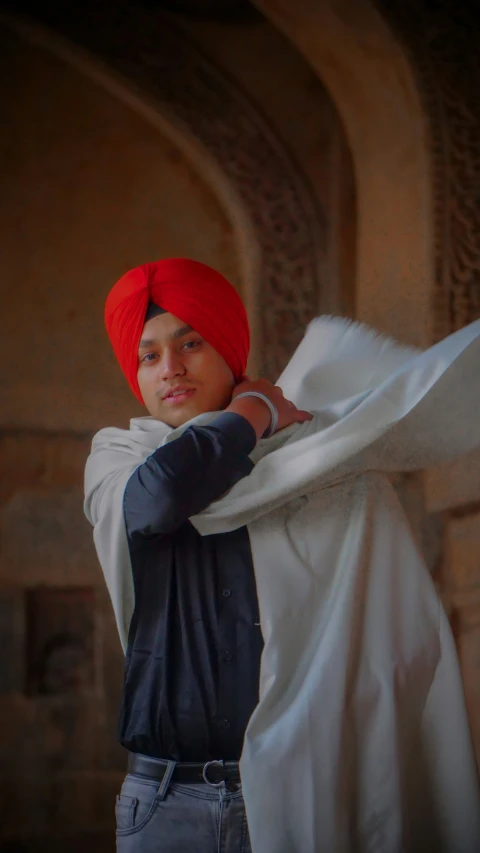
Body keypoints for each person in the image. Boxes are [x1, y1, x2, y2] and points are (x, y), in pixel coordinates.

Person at [85, 258, 480, 853]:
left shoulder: (319, 462)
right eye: (149, 355)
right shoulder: (117, 460)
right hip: (163, 803)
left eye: (190, 342)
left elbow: (395, 648)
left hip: (306, 793)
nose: (170, 369)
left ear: (227, 348)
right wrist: (257, 410)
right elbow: (159, 497)